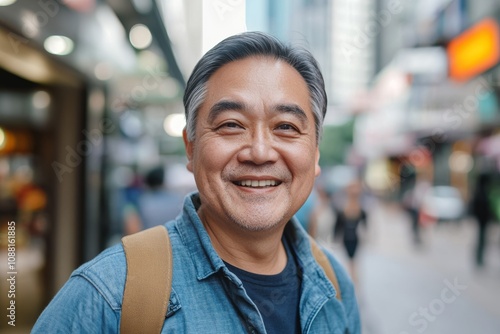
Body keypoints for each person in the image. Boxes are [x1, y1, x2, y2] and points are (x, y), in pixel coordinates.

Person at [32, 31, 360, 333]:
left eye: (286, 127)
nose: (260, 152)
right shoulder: (107, 295)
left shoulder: (334, 285)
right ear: (191, 147)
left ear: (315, 153)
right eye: (231, 124)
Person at [123, 166, 183, 235]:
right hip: (173, 240)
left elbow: (132, 227)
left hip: (148, 241)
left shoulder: (141, 200)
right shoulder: (177, 199)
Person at [334, 179, 367, 284]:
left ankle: (351, 282)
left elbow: (365, 225)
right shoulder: (343, 208)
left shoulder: (361, 209)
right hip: (347, 238)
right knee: (348, 264)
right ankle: (350, 282)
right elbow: (337, 226)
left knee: (352, 264)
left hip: (354, 238)